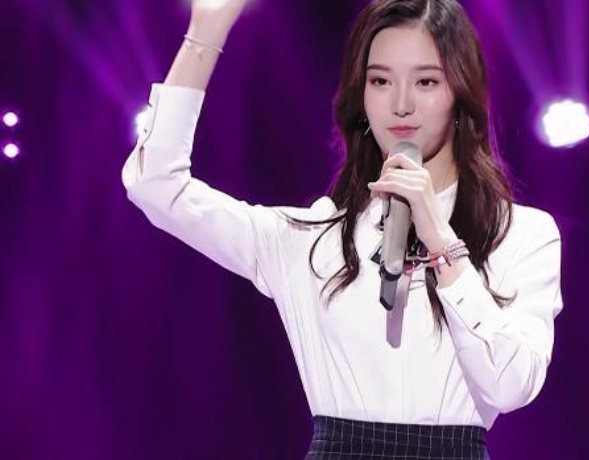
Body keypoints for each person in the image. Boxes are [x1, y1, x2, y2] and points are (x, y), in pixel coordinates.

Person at [121, 0, 564, 458]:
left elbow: (511, 386)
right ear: (361, 97)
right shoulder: (309, 241)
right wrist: (205, 33)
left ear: (460, 91)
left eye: (426, 82)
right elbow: (156, 184)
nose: (401, 104)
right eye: (380, 81)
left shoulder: (522, 235)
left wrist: (441, 241)